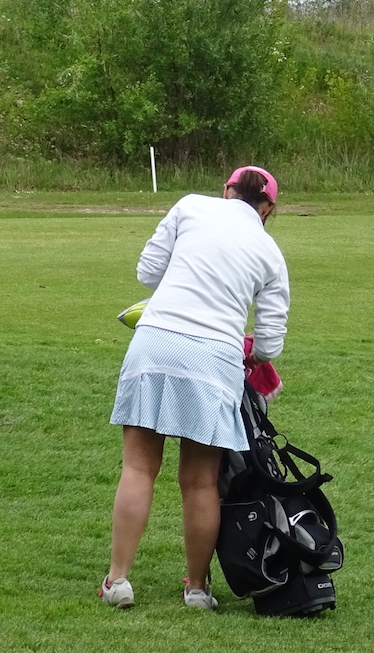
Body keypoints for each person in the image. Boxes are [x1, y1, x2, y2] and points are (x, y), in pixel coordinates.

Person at [99, 166, 290, 611]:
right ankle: (198, 589)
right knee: (201, 481)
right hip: (215, 358)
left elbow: (148, 272)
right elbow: (269, 342)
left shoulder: (189, 206)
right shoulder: (269, 250)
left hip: (156, 341)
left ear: (226, 190)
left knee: (139, 467)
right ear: (268, 210)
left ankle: (118, 580)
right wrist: (255, 355)